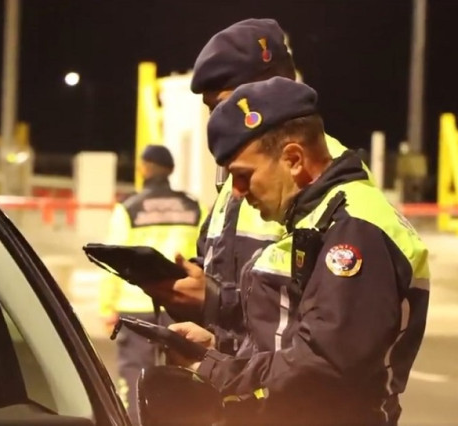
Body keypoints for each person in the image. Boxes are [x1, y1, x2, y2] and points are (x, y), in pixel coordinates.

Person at [167, 77, 429, 425]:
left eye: (244, 176)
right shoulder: (318, 218)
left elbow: (325, 365)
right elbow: (294, 344)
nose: (238, 192)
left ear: (293, 159)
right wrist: (220, 351)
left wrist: (220, 370)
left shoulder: (354, 228)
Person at [142, 18, 374, 357]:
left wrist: (214, 302)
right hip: (235, 375)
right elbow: (220, 265)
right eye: (211, 110)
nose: (217, 121)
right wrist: (187, 289)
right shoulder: (236, 179)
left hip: (274, 384)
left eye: (225, 105)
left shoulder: (330, 178)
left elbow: (316, 322)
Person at [98, 144, 205, 424]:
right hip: (180, 304)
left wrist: (107, 306)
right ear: (170, 170)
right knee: (182, 377)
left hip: (135, 304)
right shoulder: (193, 207)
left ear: (144, 168)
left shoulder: (128, 208)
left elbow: (115, 260)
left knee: (135, 376)